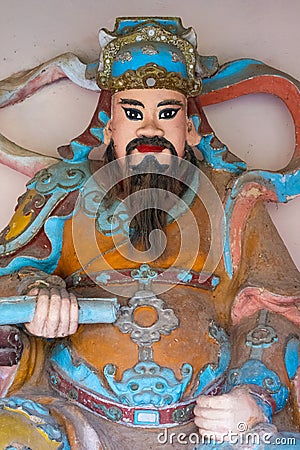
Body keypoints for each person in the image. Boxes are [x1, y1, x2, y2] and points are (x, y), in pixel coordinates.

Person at [0, 17, 299, 450]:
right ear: (109, 129)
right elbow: (8, 274)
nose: (150, 130)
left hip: (207, 425)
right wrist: (39, 295)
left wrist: (252, 397)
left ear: (190, 129)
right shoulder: (64, 193)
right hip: (68, 416)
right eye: (133, 113)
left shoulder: (234, 201)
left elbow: (274, 307)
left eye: (168, 113)